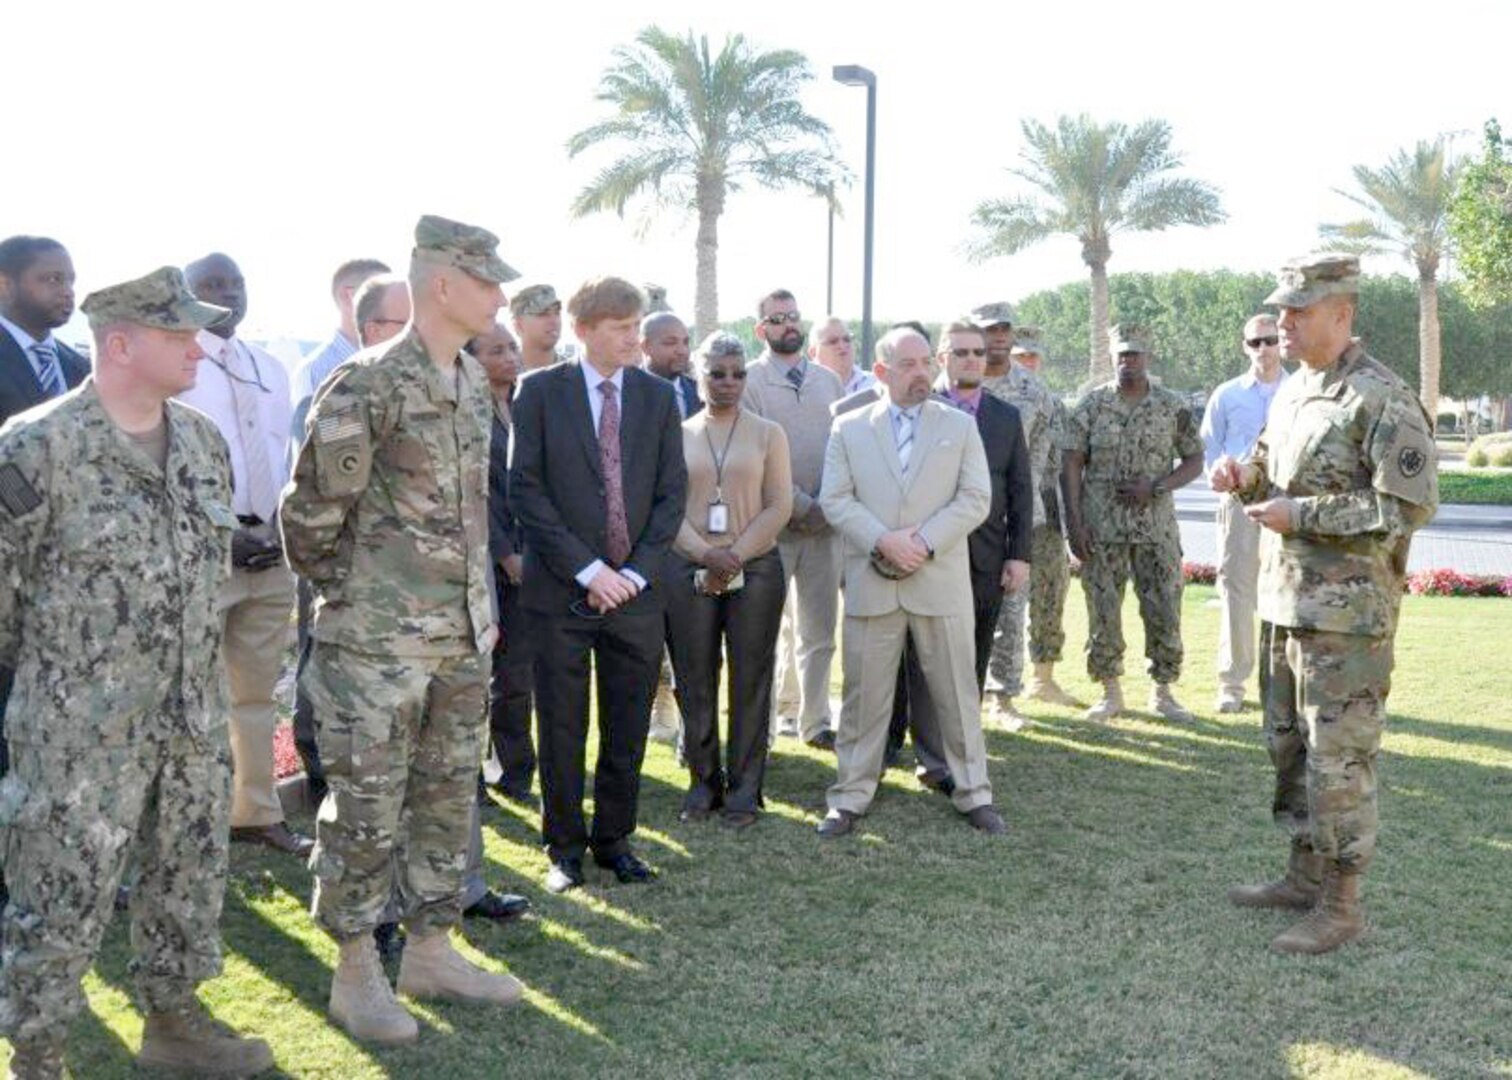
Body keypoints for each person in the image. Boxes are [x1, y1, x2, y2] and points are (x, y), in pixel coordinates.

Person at [0, 267, 272, 1078]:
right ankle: (38, 1052)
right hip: (79, 729)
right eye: (178, 334)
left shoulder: (199, 441)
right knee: (57, 896)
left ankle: (175, 1022)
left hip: (190, 718)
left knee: (187, 876)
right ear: (119, 343)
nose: (197, 347)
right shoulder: (37, 447)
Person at [282, 215, 523, 1044]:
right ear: (443, 284)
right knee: (366, 807)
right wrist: (357, 607)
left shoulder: (467, 383)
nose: (499, 297)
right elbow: (309, 518)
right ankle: (356, 972)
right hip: (376, 643)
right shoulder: (368, 383)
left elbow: (472, 517)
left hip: (458, 636)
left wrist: (475, 614)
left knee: (447, 798)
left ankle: (431, 948)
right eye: (487, 281)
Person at [1213, 254, 1436, 954]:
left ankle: (1341, 905)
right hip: (1287, 605)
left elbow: (1406, 505)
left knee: (1338, 761)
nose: (1283, 324)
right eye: (1280, 313)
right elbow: (1267, 475)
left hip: (1347, 624)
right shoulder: (1294, 391)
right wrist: (1241, 477)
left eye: (1297, 313)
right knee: (1287, 748)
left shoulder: (1382, 397)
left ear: (1342, 313)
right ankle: (1302, 875)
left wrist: (1301, 514)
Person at [509, 276, 687, 894]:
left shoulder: (659, 398)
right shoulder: (537, 392)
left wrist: (632, 575)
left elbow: (671, 496)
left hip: (636, 595)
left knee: (628, 719)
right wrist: (589, 571)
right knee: (560, 723)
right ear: (584, 331)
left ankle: (615, 840)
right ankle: (564, 848)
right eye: (620, 329)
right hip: (561, 592)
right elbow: (525, 488)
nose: (634, 339)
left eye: (636, 327)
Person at [816, 327, 1005, 837]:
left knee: (958, 695)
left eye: (926, 362)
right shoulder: (848, 428)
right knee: (863, 697)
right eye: (908, 364)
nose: (922, 372)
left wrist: (919, 542)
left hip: (939, 581)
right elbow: (834, 499)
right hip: (873, 582)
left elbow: (974, 499)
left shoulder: (960, 427)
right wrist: (883, 540)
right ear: (882, 372)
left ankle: (974, 793)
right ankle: (851, 795)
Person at [178, 253, 309, 858]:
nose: (226, 294)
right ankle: (189, 825)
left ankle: (254, 812)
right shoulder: (178, 365)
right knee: (190, 696)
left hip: (270, 551)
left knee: (255, 696)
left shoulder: (270, 368)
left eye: (235, 283)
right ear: (186, 294)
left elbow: (283, 459)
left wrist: (280, 528)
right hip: (204, 552)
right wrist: (221, 531)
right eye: (210, 285)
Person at [290, 272, 411, 805]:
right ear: (369, 329)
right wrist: (340, 589)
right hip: (361, 603)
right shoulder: (345, 396)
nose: (415, 336)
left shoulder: (448, 389)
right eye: (401, 325)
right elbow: (314, 512)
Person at [665, 332, 792, 829]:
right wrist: (705, 554)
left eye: (738, 373)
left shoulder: (768, 434)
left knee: (751, 678)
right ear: (699, 376)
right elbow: (668, 508)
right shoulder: (676, 433)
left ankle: (744, 790)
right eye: (717, 373)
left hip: (755, 566)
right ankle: (703, 784)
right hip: (690, 565)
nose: (728, 382)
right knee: (694, 678)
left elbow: (779, 504)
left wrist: (735, 554)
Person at [0, 235, 89, 901]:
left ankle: (55, 865)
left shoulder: (73, 361)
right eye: (48, 279)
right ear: (6, 285)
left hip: (70, 587)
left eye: (69, 279)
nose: (65, 292)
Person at [1060, 324, 1204, 723]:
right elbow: (1071, 463)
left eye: (1136, 354)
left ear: (1148, 357)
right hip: (1100, 529)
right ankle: (1110, 692)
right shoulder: (1091, 405)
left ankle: (1163, 692)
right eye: (1122, 354)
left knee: (1164, 608)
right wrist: (1074, 522)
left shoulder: (1172, 406)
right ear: (1112, 356)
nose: (1129, 361)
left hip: (1155, 529)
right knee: (1103, 609)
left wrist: (1158, 486)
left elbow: (1194, 459)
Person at [742, 289, 844, 749]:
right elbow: (756, 455)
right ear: (760, 329)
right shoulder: (750, 382)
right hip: (771, 529)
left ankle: (815, 721)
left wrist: (828, 504)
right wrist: (802, 505)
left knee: (819, 632)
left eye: (793, 316)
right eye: (777, 318)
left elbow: (843, 447)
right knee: (761, 633)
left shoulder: (828, 381)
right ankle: (761, 727)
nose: (788, 325)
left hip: (826, 530)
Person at [982, 325, 1076, 724]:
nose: (998, 339)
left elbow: (1047, 459)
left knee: (1011, 606)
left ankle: (1002, 697)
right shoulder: (947, 385)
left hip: (1015, 513)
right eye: (989, 331)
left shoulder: (1038, 395)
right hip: (956, 517)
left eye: (1005, 330)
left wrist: (1027, 508)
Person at [1200, 314, 1287, 713]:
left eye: (1270, 340)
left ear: (1281, 343)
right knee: (1236, 589)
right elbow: (1210, 449)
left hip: (1288, 505)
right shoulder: (1227, 395)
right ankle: (1232, 684)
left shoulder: (1301, 392)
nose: (1263, 349)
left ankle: (1283, 686)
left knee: (1287, 589)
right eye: (1255, 342)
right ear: (1244, 346)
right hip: (1238, 504)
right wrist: (1220, 473)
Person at [470, 321, 536, 805]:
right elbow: (481, 495)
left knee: (518, 674)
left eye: (512, 346)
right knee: (477, 676)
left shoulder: (529, 405)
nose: (510, 356)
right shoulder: (466, 412)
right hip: (486, 559)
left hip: (536, 557)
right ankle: (470, 777)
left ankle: (515, 771)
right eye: (497, 350)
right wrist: (504, 551)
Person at [639, 310, 701, 744]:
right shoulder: (629, 392)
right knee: (647, 638)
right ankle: (653, 715)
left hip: (697, 532)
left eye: (683, 341)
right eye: (668, 342)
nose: (679, 350)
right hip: (646, 535)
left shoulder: (702, 393)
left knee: (691, 641)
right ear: (645, 346)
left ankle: (689, 733)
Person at [290, 258, 391, 430]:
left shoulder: (397, 361)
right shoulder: (317, 370)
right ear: (348, 296)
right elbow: (311, 441)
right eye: (383, 294)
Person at [809, 315, 872, 396]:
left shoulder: (876, 385)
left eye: (847, 339)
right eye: (833, 341)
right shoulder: (803, 390)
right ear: (813, 353)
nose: (842, 346)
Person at [511, 281, 563, 371]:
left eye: (557, 313)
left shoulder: (576, 375)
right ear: (519, 325)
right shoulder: (501, 376)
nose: (554, 321)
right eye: (543, 314)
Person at [970, 301, 1016, 380]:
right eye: (991, 329)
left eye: (1005, 329)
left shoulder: (1032, 385)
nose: (1000, 338)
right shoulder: (954, 383)